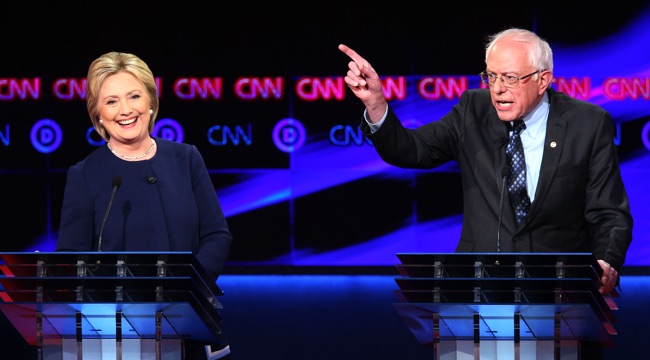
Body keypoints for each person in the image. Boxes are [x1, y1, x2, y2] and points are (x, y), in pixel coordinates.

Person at [339, 28, 633, 358]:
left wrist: (606, 260)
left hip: (559, 305)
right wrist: (376, 103)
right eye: (490, 76)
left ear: (542, 79)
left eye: (509, 77)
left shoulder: (588, 124)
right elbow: (409, 150)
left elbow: (610, 213)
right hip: (477, 302)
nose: (497, 89)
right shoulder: (473, 111)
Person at [56, 51, 233, 360]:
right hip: (120, 337)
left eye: (134, 96)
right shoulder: (85, 175)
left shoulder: (186, 158)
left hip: (191, 326)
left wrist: (188, 288)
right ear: (97, 114)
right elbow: (72, 261)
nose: (125, 110)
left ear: (150, 101)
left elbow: (217, 234)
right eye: (111, 101)